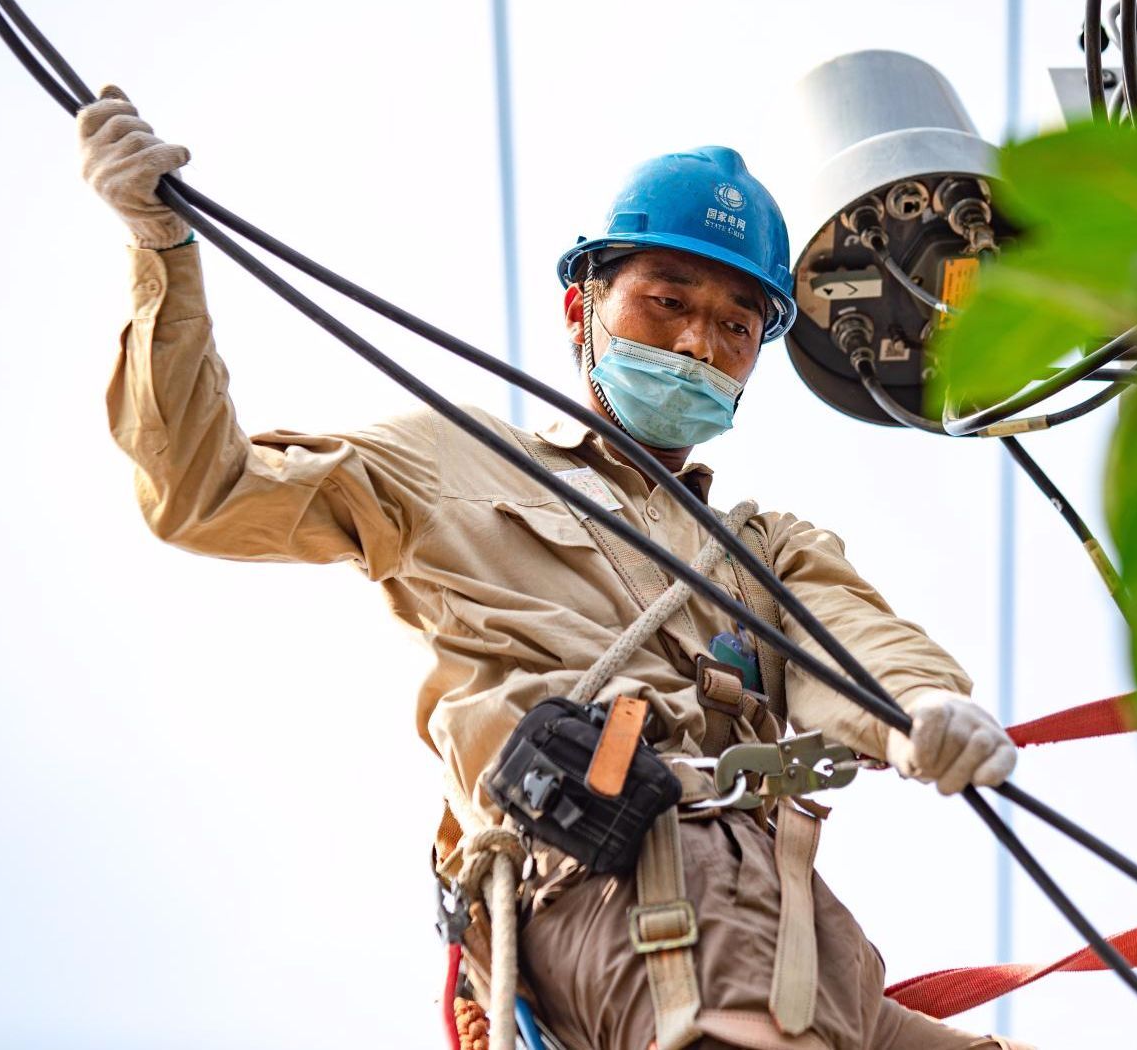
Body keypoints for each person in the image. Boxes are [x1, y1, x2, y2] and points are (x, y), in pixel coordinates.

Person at [78, 85, 1028, 1050]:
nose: (701, 343)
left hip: (784, 912)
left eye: (737, 327)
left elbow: (858, 652)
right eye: (668, 303)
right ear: (584, 307)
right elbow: (203, 490)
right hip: (623, 882)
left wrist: (919, 714)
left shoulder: (765, 548)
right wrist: (163, 253)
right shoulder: (452, 460)